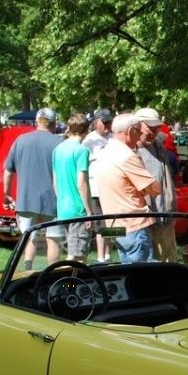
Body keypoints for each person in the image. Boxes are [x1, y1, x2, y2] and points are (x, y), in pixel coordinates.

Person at [91, 113, 161, 263]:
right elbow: (155, 189)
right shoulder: (126, 155)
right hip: (134, 225)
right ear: (130, 131)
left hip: (115, 226)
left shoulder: (104, 152)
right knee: (142, 277)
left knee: (127, 273)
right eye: (139, 131)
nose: (141, 135)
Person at [3, 107, 64, 270]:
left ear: (36, 122)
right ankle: (53, 276)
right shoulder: (60, 143)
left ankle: (27, 271)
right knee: (54, 240)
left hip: (26, 199)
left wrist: (6, 194)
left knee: (29, 237)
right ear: (54, 123)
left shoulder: (20, 140)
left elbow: (8, 171)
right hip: (53, 200)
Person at [135, 107, 178, 262]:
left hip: (165, 215)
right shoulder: (130, 150)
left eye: (156, 128)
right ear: (137, 126)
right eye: (149, 128)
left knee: (169, 261)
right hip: (143, 220)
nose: (152, 132)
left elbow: (167, 181)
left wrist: (172, 207)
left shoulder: (158, 146)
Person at [51, 113, 93, 262]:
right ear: (86, 130)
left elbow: (55, 183)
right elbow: (82, 183)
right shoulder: (81, 151)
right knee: (77, 257)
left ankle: (70, 284)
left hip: (63, 209)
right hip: (78, 210)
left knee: (74, 251)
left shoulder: (58, 149)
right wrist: (89, 211)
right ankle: (67, 285)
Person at [82, 108, 113, 262]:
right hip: (97, 189)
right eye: (105, 122)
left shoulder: (114, 138)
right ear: (96, 123)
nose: (108, 125)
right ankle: (101, 258)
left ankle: (109, 254)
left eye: (109, 121)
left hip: (113, 189)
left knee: (113, 224)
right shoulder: (89, 141)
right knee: (101, 224)